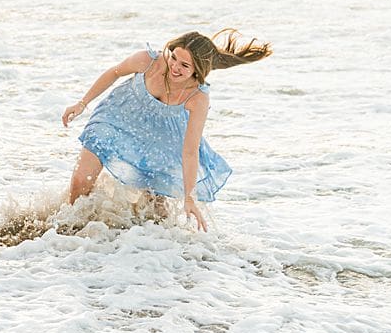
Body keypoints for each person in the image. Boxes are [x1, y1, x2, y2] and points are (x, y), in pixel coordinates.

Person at [60, 29, 272, 231]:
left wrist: (189, 197)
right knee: (80, 183)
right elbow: (114, 72)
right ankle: (69, 229)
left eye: (184, 65)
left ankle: (137, 244)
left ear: (198, 69)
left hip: (158, 138)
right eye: (174, 58)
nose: (175, 67)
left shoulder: (197, 98)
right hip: (115, 119)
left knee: (155, 212)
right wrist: (82, 103)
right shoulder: (148, 61)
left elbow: (190, 151)